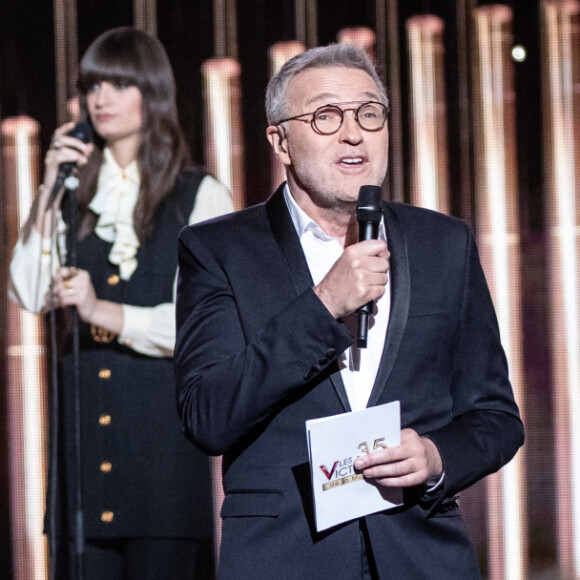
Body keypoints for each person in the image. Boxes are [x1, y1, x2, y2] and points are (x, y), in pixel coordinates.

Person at [174, 43, 524, 579]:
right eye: (326, 116)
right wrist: (323, 307)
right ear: (281, 140)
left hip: (421, 554)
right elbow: (207, 415)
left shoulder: (443, 243)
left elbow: (496, 418)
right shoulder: (219, 250)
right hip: (285, 555)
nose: (353, 132)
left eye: (368, 113)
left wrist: (435, 458)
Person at [9, 27, 233, 579]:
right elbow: (27, 290)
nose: (100, 98)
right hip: (82, 469)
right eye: (92, 86)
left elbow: (201, 328)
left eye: (117, 83)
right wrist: (47, 189)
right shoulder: (73, 194)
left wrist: (102, 311)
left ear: (150, 92)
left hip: (163, 470)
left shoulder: (198, 195)